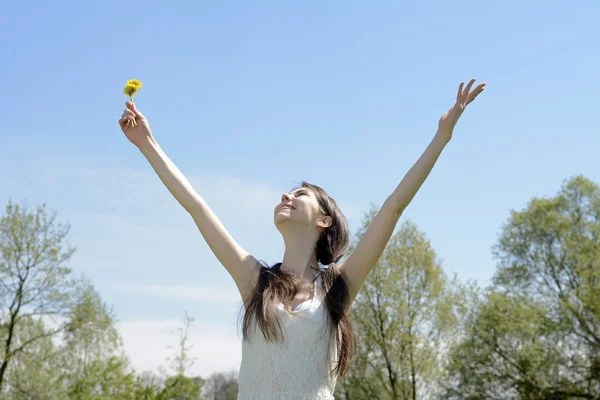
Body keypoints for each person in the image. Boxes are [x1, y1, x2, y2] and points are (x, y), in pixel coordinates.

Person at [118, 78, 485, 399]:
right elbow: (196, 207)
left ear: (324, 220)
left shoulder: (339, 284)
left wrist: (442, 137)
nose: (285, 197)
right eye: (287, 194)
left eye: (299, 195)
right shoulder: (254, 280)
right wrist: (147, 143)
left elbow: (392, 208)